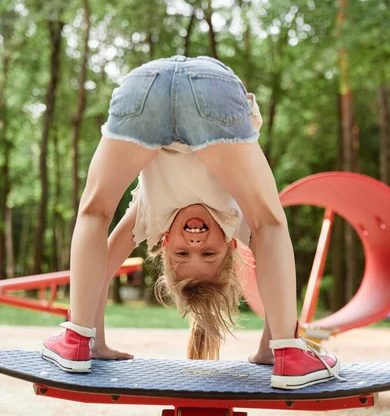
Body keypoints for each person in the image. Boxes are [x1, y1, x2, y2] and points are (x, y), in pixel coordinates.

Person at [41, 55, 342, 390]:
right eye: (209, 255)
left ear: (165, 243)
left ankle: (76, 341)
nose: (195, 246)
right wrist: (274, 343)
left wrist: (92, 334)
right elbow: (270, 250)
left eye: (182, 256)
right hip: (209, 90)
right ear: (230, 245)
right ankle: (290, 353)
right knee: (270, 223)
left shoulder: (152, 220)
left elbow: (104, 268)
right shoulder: (237, 222)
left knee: (94, 211)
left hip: (146, 88)